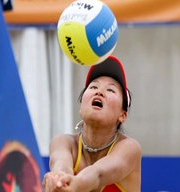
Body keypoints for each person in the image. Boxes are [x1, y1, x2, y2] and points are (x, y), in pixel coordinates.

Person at [42, 55, 142, 192]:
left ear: (122, 115)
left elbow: (98, 174)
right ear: (81, 108)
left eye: (110, 90)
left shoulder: (130, 148)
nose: (99, 92)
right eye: (93, 86)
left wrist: (75, 184)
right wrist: (58, 179)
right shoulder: (63, 141)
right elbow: (61, 166)